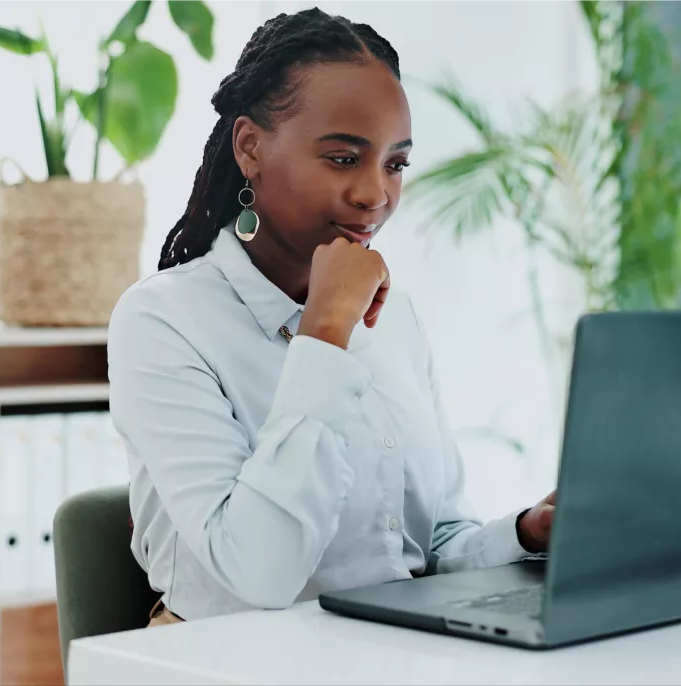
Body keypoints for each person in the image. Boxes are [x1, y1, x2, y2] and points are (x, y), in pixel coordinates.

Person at [107, 7, 557, 628]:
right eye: (345, 159)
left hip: (386, 651)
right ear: (250, 147)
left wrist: (526, 535)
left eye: (395, 164)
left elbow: (430, 548)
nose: (375, 194)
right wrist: (325, 334)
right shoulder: (161, 321)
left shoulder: (395, 318)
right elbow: (258, 576)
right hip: (227, 661)